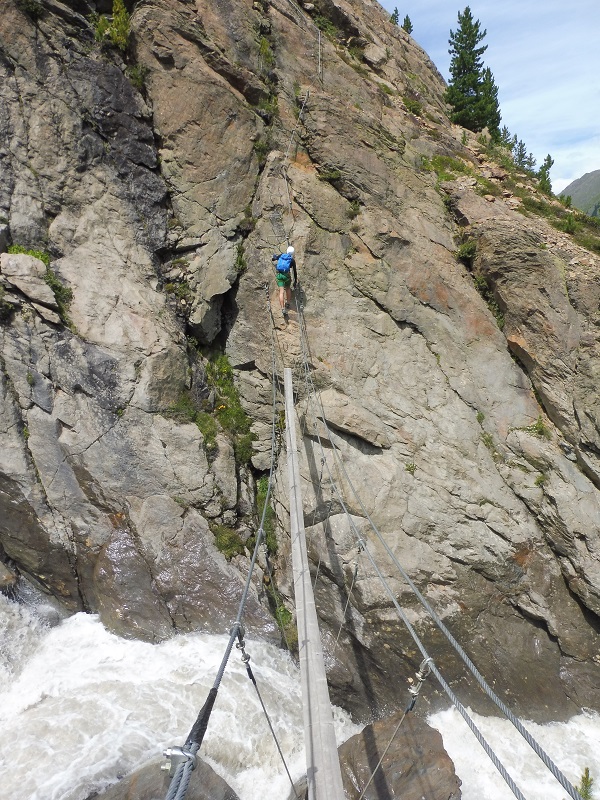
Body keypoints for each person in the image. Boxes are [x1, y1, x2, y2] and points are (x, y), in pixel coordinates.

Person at [272, 245, 298, 317]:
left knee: (281, 292)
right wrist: (295, 281)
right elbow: (295, 271)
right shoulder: (292, 260)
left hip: (279, 276)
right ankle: (288, 303)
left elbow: (274, 258)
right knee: (288, 288)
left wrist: (274, 257)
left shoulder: (281, 256)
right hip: (286, 276)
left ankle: (282, 308)